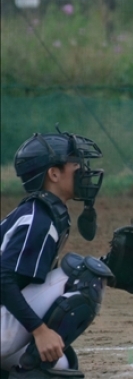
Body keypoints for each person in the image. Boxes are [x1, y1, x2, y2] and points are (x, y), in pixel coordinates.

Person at [1, 128, 108, 378]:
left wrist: (113, 270)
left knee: (59, 366)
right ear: (54, 174)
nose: (84, 170)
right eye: (76, 164)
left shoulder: (44, 213)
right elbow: (3, 279)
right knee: (85, 276)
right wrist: (40, 331)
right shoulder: (38, 219)